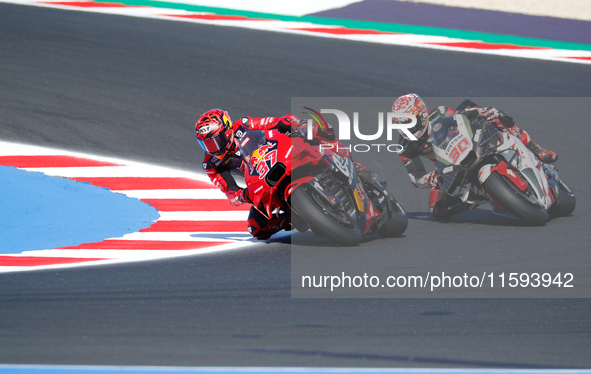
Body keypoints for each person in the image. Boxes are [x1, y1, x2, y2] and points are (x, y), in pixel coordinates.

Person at [195, 108, 376, 239]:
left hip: (280, 155)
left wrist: (295, 125)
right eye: (206, 144)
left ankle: (349, 160)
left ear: (227, 129)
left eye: (215, 140)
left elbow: (274, 122)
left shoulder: (243, 125)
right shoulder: (211, 163)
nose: (212, 148)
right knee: (256, 228)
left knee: (320, 128)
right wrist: (241, 195)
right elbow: (229, 190)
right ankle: (300, 215)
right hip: (262, 180)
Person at [392, 94, 558, 219]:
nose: (407, 129)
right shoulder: (405, 147)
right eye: (402, 125)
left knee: (499, 117)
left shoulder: (439, 113)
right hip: (449, 168)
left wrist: (482, 111)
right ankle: (475, 194)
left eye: (410, 122)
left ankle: (536, 150)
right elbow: (416, 177)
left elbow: (465, 114)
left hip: (472, 144)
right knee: (437, 210)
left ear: (422, 115)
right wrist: (432, 178)